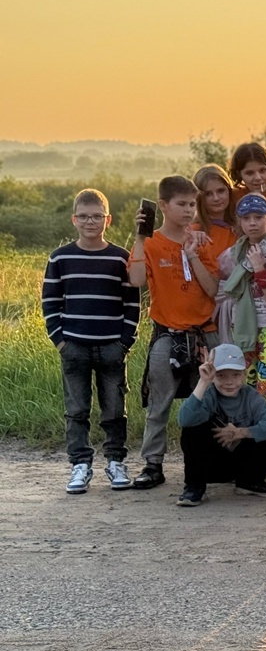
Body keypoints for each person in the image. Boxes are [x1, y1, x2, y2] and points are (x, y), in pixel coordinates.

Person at [43, 189, 140, 494]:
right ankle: (80, 465)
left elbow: (132, 303)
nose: (90, 222)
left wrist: (125, 341)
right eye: (84, 216)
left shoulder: (120, 257)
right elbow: (50, 302)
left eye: (97, 216)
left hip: (112, 346)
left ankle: (115, 462)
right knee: (76, 410)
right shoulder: (60, 258)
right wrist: (60, 341)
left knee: (115, 410)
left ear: (108, 220)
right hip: (74, 346)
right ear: (74, 219)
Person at [127, 175, 220, 489]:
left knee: (209, 401)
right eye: (181, 204)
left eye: (192, 204)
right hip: (168, 334)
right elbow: (136, 279)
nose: (189, 210)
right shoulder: (151, 244)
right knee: (159, 403)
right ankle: (153, 464)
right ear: (163, 206)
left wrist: (193, 254)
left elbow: (212, 289)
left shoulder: (201, 240)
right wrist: (140, 237)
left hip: (204, 333)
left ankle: (207, 461)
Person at [216, 192, 266, 479]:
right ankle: (265, 458)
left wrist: (261, 269)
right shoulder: (232, 256)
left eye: (258, 217)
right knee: (248, 396)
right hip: (243, 335)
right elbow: (224, 292)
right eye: (246, 218)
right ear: (239, 222)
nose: (252, 223)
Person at [175, 344, 266, 507]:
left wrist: (241, 432)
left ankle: (250, 482)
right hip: (211, 464)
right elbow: (184, 420)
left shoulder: (251, 396)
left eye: (236, 375)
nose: (229, 382)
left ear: (244, 375)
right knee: (191, 428)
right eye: (221, 376)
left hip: (241, 462)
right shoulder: (207, 394)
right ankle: (195, 486)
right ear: (213, 376)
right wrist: (203, 382)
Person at [193, 165, 240, 259]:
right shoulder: (194, 232)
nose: (216, 198)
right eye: (208, 194)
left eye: (221, 191)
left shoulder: (243, 224)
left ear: (229, 190)